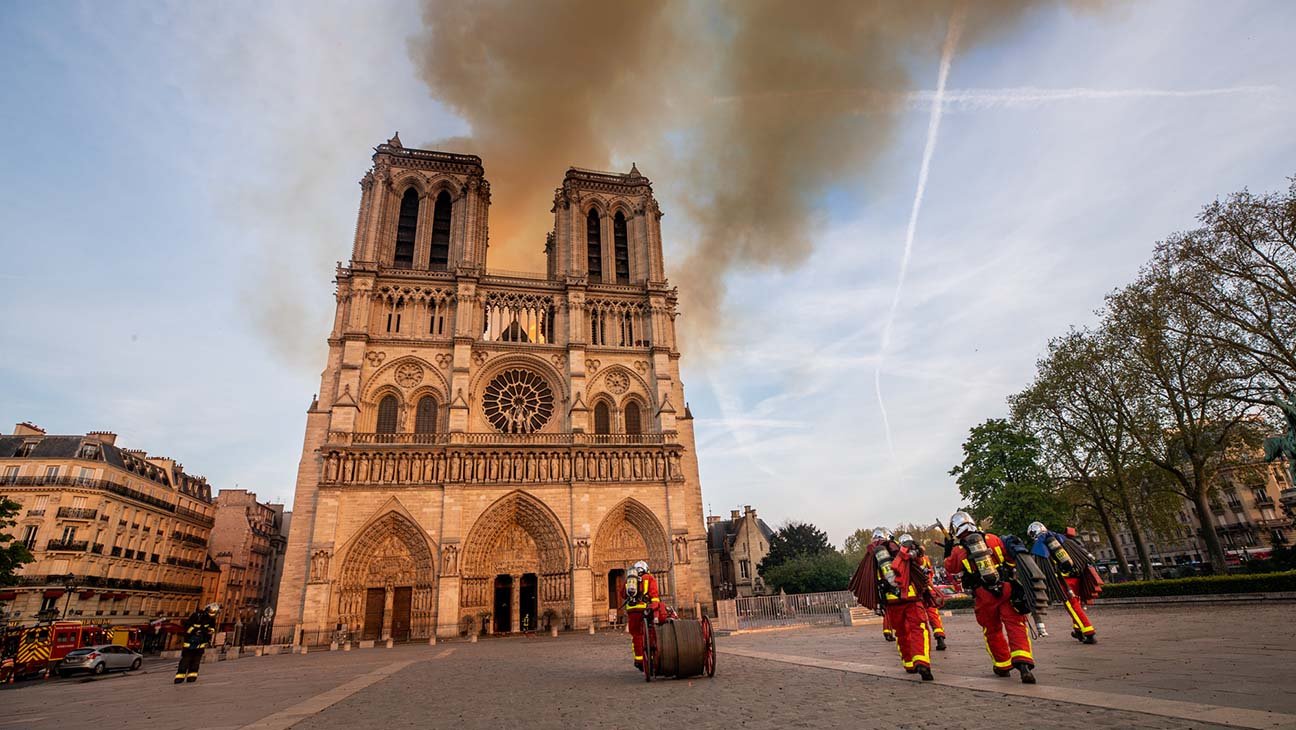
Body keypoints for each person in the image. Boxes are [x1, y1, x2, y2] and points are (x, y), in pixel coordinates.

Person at [942, 512, 1037, 684]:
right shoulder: (993, 539)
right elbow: (1011, 560)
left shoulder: (959, 551)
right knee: (1016, 625)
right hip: (1006, 588)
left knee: (992, 630)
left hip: (983, 594)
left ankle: (1002, 665)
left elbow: (951, 568)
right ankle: (1023, 664)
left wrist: (948, 550)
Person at [850, 527, 933, 681]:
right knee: (919, 628)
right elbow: (919, 563)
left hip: (891, 601)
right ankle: (922, 661)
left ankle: (909, 664)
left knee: (901, 633)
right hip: (911, 597)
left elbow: (870, 581)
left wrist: (877, 603)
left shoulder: (871, 557)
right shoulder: (899, 549)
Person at [1028, 521, 1098, 644]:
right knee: (1077, 604)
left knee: (1072, 606)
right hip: (1077, 576)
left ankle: (1088, 632)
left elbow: (1042, 564)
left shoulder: (1040, 544)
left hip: (1064, 580)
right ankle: (1078, 630)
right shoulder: (1061, 538)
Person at [899, 533, 946, 651]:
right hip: (928, 590)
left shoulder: (903, 559)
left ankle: (918, 643)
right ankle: (939, 636)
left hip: (915, 592)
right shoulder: (924, 557)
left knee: (916, 618)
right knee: (933, 614)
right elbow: (931, 573)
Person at [624, 560, 665, 671]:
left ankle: (639, 660)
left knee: (636, 635)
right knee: (650, 631)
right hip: (644, 609)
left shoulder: (630, 579)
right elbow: (654, 594)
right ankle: (652, 655)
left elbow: (622, 594)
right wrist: (655, 606)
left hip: (632, 611)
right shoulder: (649, 578)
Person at [175, 603, 218, 684]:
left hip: (201, 643)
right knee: (185, 661)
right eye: (211, 612)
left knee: (196, 662)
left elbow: (212, 629)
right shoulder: (196, 616)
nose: (212, 614)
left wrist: (208, 632)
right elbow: (187, 628)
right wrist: (195, 631)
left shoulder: (211, 619)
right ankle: (179, 677)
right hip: (189, 644)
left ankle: (192, 677)